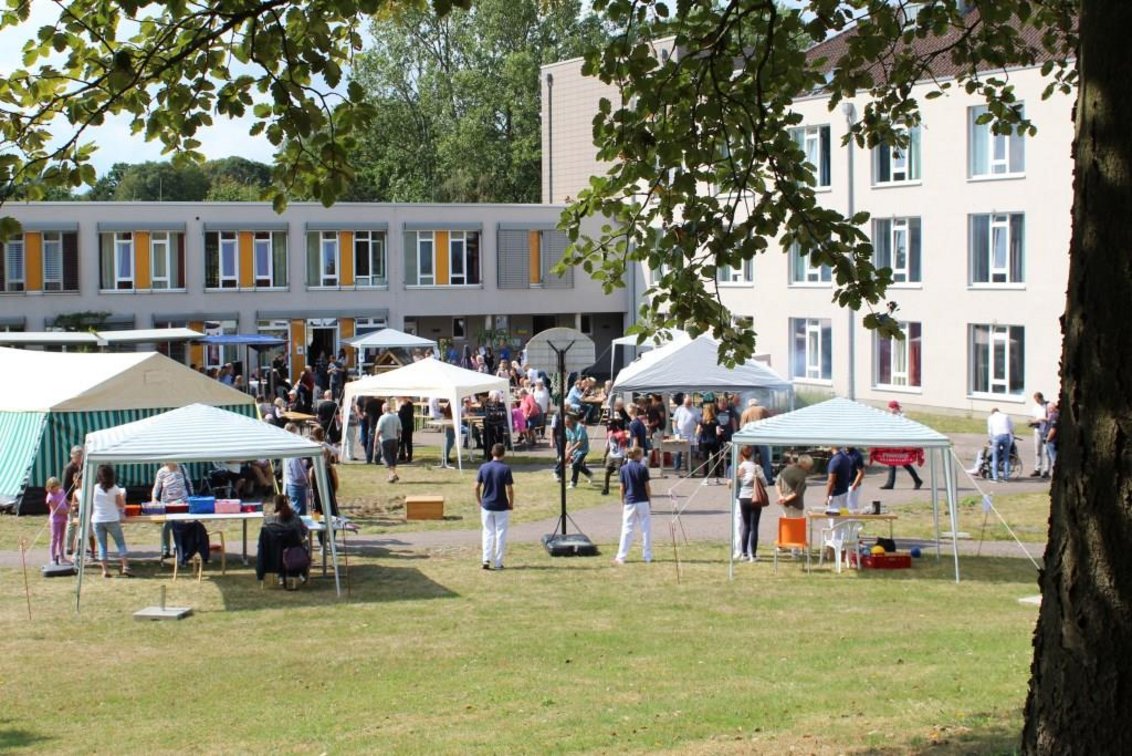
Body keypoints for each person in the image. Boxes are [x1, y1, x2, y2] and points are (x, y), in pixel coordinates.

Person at [476, 443, 514, 570]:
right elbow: (509, 489)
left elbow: (476, 487)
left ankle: (485, 559)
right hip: (501, 505)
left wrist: (479, 501)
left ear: (492, 453)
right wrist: (511, 503)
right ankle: (498, 563)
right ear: (503, 454)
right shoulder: (505, 469)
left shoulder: (484, 467)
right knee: (500, 533)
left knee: (487, 532)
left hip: (486, 504)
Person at [91, 465, 132, 578]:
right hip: (112, 519)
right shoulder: (114, 488)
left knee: (102, 545)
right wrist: (123, 498)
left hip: (97, 520)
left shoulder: (94, 488)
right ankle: (125, 566)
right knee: (120, 543)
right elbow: (121, 504)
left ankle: (105, 570)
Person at [613, 446, 652, 564]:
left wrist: (622, 501)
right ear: (637, 455)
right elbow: (647, 487)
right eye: (641, 455)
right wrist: (649, 500)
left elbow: (622, 488)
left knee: (627, 529)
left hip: (630, 501)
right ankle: (647, 556)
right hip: (643, 501)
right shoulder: (643, 468)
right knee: (646, 529)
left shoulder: (624, 469)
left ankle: (621, 556)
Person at [152, 460, 193, 560]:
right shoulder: (161, 471)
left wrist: (192, 500)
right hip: (167, 504)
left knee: (179, 525)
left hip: (181, 503)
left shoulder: (183, 469)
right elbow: (157, 487)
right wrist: (154, 499)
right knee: (166, 526)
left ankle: (177, 548)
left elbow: (189, 484)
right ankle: (166, 549)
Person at [880, 401, 923, 489]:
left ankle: (917, 480)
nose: (890, 410)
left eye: (891, 408)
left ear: (895, 408)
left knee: (905, 463)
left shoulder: (902, 417)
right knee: (891, 462)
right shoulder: (892, 417)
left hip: (902, 444)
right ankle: (890, 484)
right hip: (894, 443)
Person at [736, 446, 768, 562]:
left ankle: (744, 553)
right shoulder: (756, 467)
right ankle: (753, 555)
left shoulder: (739, 467)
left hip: (743, 497)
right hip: (754, 497)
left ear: (741, 455)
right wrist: (757, 477)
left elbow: (737, 483)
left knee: (746, 525)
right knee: (754, 526)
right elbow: (765, 483)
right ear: (752, 454)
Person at [558, 414, 593, 488]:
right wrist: (566, 451)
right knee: (577, 465)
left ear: (572, 422)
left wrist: (571, 450)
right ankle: (589, 473)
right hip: (575, 450)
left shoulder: (579, 427)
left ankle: (573, 483)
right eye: (565, 424)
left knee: (575, 464)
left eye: (567, 424)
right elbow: (569, 440)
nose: (566, 426)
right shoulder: (567, 428)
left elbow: (581, 442)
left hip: (583, 449)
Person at [282, 424, 311, 514]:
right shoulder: (293, 451)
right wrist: (307, 474)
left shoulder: (286, 447)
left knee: (298, 510)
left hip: (292, 483)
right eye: (295, 433)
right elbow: (298, 475)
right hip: (297, 485)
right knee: (300, 513)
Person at [672, 394, 700, 474]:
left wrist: (697, 433)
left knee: (691, 453)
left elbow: (699, 423)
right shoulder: (679, 409)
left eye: (690, 403)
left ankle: (690, 469)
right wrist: (675, 431)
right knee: (678, 452)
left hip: (691, 435)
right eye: (687, 403)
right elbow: (674, 421)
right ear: (683, 401)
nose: (688, 405)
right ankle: (677, 469)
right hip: (680, 434)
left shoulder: (695, 410)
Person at [45, 477, 69, 565]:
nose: (54, 489)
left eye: (55, 487)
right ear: (49, 487)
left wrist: (70, 505)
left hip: (63, 518)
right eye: (51, 488)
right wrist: (68, 511)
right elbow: (55, 510)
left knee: (62, 538)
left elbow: (65, 501)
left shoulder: (61, 491)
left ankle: (62, 557)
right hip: (55, 520)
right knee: (54, 538)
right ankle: (53, 558)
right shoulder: (50, 496)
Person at [987, 407, 1015, 482]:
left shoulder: (991, 418)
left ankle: (995, 477)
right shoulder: (1006, 416)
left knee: (995, 458)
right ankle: (1006, 477)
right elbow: (1012, 427)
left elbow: (990, 430)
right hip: (1006, 436)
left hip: (996, 437)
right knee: (1006, 458)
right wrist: (1012, 434)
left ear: (992, 412)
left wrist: (990, 439)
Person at [376, 401, 402, 483]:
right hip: (394, 440)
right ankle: (392, 475)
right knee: (393, 458)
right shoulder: (396, 417)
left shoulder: (382, 418)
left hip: (385, 440)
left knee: (386, 458)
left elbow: (378, 430)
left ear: (383, 409)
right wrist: (397, 437)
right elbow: (399, 430)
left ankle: (393, 474)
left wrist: (375, 441)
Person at [697, 402, 723, 482]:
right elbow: (718, 433)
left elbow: (697, 432)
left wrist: (702, 431)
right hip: (714, 442)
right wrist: (721, 431)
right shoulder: (716, 420)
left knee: (705, 460)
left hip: (705, 442)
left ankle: (706, 479)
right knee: (716, 460)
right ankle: (717, 478)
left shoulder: (702, 421)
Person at [1029, 391, 1050, 478]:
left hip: (1046, 430)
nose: (1037, 402)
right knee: (1037, 451)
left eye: (1037, 400)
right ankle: (1037, 469)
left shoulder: (1048, 406)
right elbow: (1034, 417)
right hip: (1037, 430)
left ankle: (1046, 470)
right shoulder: (1036, 407)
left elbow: (1049, 418)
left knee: (1046, 452)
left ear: (1041, 398)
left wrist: (1039, 420)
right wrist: (1032, 422)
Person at [825, 447, 854, 511]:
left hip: (835, 494)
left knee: (833, 517)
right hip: (844, 491)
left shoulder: (835, 460)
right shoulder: (845, 458)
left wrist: (827, 496)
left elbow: (831, 481)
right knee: (842, 517)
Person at [602, 429, 628, 495]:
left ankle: (625, 490)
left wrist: (625, 457)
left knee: (621, 475)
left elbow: (625, 446)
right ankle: (606, 489)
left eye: (611, 425)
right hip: (611, 457)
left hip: (619, 457)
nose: (609, 427)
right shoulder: (609, 433)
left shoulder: (621, 434)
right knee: (607, 473)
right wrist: (605, 456)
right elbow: (608, 446)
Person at [397, 396, 416, 463]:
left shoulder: (403, 407)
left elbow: (400, 416)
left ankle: (403, 456)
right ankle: (408, 457)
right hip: (409, 425)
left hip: (404, 426)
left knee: (403, 441)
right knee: (408, 442)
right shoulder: (410, 405)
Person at [1043, 401, 1059, 475]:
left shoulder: (1054, 416)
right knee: (1050, 456)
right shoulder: (1055, 415)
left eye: (1050, 408)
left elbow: (1053, 429)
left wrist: (1048, 439)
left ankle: (1055, 475)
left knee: (1054, 459)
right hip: (1053, 440)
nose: (1048, 410)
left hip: (1052, 440)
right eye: (1048, 408)